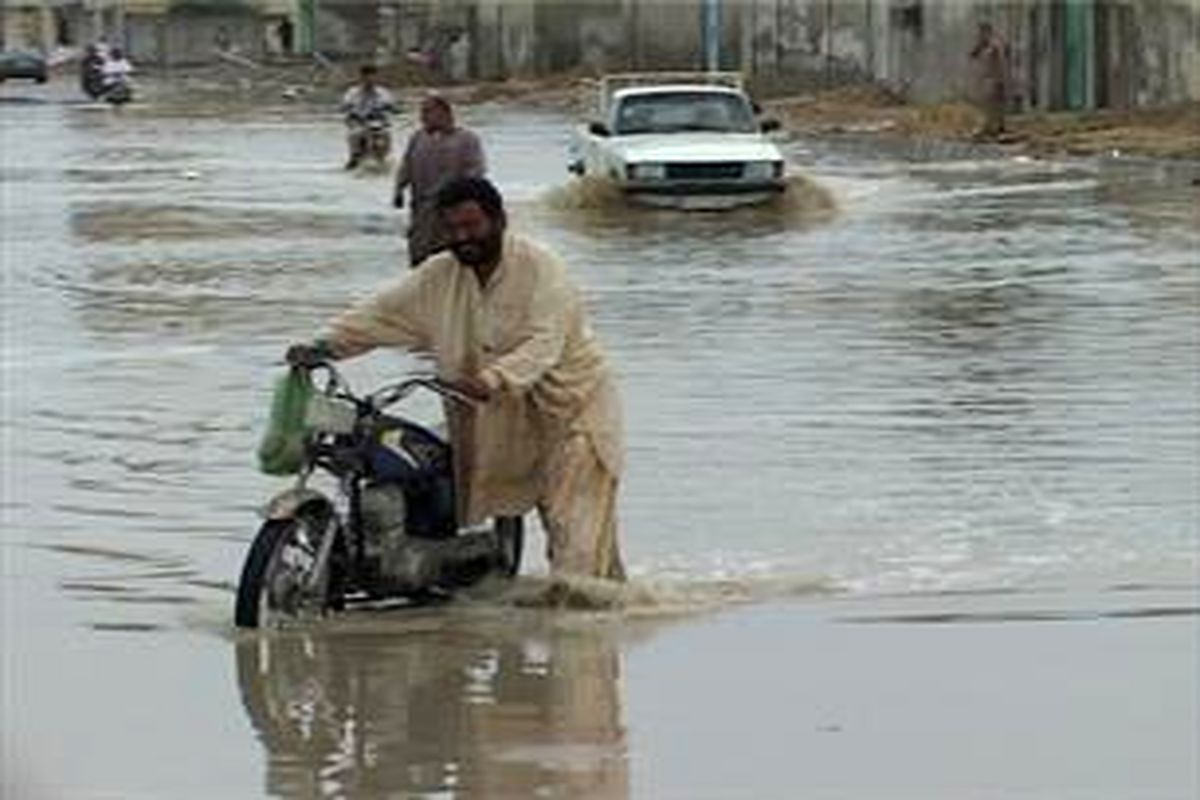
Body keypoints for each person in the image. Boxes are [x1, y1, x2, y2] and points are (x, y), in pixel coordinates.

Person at [288, 177, 626, 581]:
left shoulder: (541, 267)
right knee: (469, 487)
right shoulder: (439, 274)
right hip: (494, 413)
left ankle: (586, 622)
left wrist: (493, 379)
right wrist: (323, 345)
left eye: (472, 226)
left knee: (576, 537)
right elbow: (380, 312)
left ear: (499, 220)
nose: (463, 238)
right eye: (453, 229)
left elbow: (544, 342)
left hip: (571, 411)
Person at [393, 94, 486, 267]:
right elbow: (406, 165)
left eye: (427, 112)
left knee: (448, 260)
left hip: (451, 212)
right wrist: (398, 189)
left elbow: (476, 172)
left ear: (445, 113)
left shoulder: (466, 139)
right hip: (421, 210)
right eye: (422, 112)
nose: (422, 117)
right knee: (418, 257)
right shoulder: (418, 138)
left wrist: (459, 196)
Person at [339, 64, 397, 170]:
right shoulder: (352, 93)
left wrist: (394, 109)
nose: (370, 80)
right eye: (367, 77)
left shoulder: (383, 93)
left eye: (373, 76)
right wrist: (348, 108)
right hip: (359, 123)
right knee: (354, 134)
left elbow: (392, 106)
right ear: (361, 77)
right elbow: (344, 106)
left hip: (379, 123)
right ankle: (354, 158)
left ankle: (383, 157)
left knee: (385, 135)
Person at [970, 22, 1010, 140]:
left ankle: (994, 128)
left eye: (983, 32)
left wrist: (1001, 79)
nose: (981, 35)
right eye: (980, 33)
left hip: (994, 79)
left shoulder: (995, 45)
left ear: (989, 32)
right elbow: (973, 55)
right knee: (985, 104)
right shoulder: (982, 46)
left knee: (993, 105)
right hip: (985, 79)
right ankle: (990, 128)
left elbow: (1002, 63)